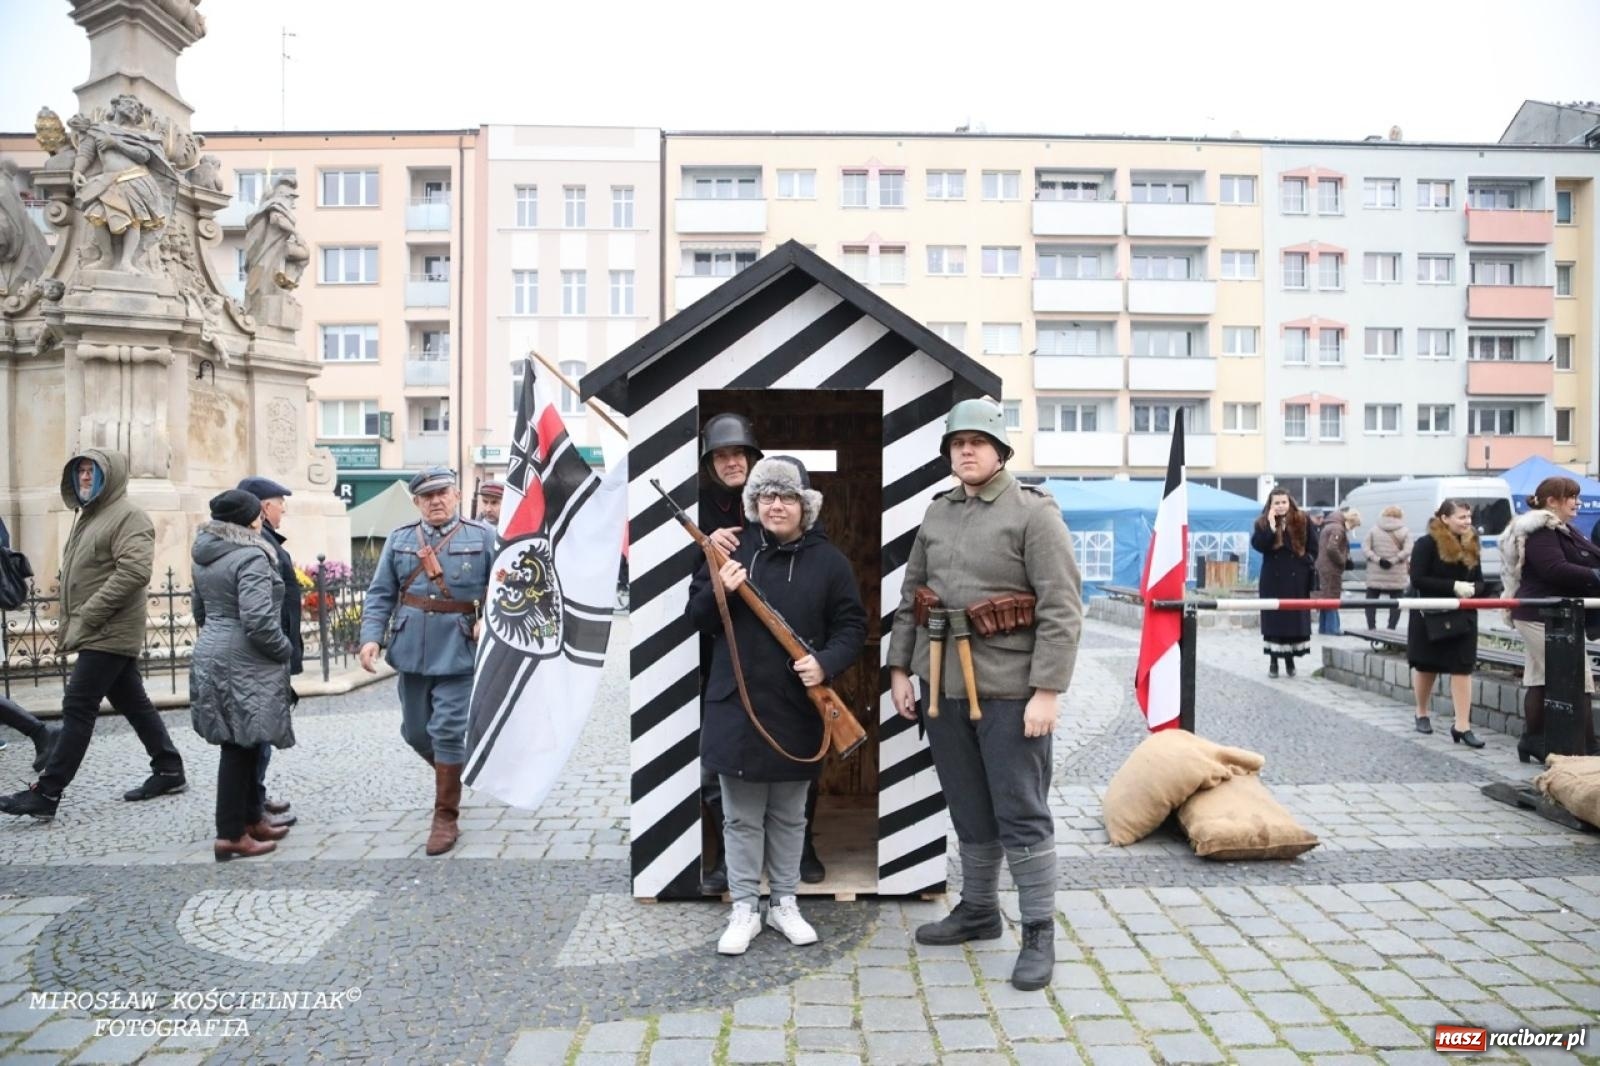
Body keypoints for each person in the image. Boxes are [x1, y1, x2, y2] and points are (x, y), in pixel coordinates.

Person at [888, 399, 1083, 992]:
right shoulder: (938, 513)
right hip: (941, 687)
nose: (966, 451)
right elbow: (911, 596)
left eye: (977, 442)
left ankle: (1039, 931)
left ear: (1000, 451)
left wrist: (1046, 691)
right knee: (969, 807)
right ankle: (978, 911)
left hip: (1009, 690)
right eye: (957, 443)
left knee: (1021, 811)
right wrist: (900, 669)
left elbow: (1062, 609)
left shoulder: (1034, 514)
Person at [688, 456, 866, 956]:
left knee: (789, 818)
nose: (776, 505)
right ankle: (745, 907)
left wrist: (823, 664)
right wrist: (720, 589)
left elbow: (852, 627)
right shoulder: (726, 550)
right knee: (741, 819)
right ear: (754, 504)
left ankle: (784, 901)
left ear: (804, 506)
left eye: (786, 496)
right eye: (766, 496)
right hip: (736, 706)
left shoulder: (831, 562)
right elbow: (696, 618)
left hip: (797, 709)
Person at [0, 450, 187, 820]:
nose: (85, 477)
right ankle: (169, 768)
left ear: (110, 476)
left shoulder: (129, 517)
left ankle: (48, 791)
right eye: (81, 471)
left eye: (92, 472)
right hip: (100, 629)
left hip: (109, 629)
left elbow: (134, 572)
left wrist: (90, 613)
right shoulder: (90, 516)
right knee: (134, 703)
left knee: (77, 706)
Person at [694, 414, 832, 891]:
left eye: (739, 454)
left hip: (786, 658)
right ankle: (729, 864)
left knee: (796, 755)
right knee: (724, 761)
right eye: (721, 456)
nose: (732, 462)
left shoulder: (789, 506)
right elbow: (696, 596)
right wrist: (709, 552)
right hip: (725, 649)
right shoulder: (703, 508)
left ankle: (802, 849)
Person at [358, 467, 493, 855]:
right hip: (411, 648)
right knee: (417, 732)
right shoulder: (400, 540)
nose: (436, 501)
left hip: (459, 648)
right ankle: (453, 771)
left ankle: (445, 816)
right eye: (427, 496)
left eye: (443, 493)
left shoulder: (482, 537)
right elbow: (381, 592)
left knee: (448, 729)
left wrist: (489, 617)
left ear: (455, 495)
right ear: (416, 501)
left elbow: (506, 584)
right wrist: (370, 637)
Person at [189, 491, 296, 861]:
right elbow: (258, 621)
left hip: (213, 648)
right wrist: (284, 649)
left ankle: (251, 819)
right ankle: (231, 833)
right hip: (244, 656)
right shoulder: (251, 553)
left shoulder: (205, 551)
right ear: (251, 520)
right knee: (239, 746)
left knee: (247, 741)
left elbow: (199, 610)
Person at [1502, 476, 1600, 761]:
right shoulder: (1542, 530)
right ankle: (1588, 748)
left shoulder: (1562, 529)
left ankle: (1533, 741)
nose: (1577, 501)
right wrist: (1596, 576)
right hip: (1541, 615)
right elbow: (1554, 569)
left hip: (1552, 614)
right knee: (1577, 678)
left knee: (1540, 679)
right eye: (1571, 496)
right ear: (1551, 501)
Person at [238, 476, 304, 826]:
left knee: (260, 734)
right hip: (266, 654)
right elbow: (263, 609)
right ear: (264, 507)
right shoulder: (259, 545)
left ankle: (256, 798)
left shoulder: (265, 541)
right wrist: (282, 649)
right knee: (258, 733)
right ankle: (252, 809)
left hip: (271, 651)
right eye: (280, 503)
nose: (283, 509)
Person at [1406, 500, 1486, 746]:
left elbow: (1480, 579)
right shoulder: (1426, 543)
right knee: (1427, 665)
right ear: (1444, 518)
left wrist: (1476, 590)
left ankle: (1462, 725)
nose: (1467, 522)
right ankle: (1421, 712)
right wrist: (1453, 587)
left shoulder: (1471, 542)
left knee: (1463, 667)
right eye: (1462, 517)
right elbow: (1418, 579)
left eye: (1469, 517)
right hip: (1431, 613)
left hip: (1463, 614)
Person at [1251, 488, 1317, 677]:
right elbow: (1259, 545)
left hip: (1297, 578)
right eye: (1277, 503)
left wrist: (1306, 562)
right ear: (1270, 505)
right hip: (1273, 578)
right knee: (1274, 621)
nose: (1280, 506)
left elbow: (1314, 546)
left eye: (1283, 502)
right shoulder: (1262, 522)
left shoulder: (1302, 520)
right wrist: (1271, 528)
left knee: (1292, 620)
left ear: (1290, 503)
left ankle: (1290, 661)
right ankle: (1273, 662)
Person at [1363, 505, 1412, 630]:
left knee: (1371, 602)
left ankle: (1371, 627)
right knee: (1396, 603)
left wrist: (1378, 560)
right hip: (1397, 573)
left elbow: (1366, 549)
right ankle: (1391, 628)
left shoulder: (1373, 530)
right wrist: (1394, 560)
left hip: (1375, 571)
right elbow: (1408, 550)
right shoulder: (1405, 531)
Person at [1316, 509, 1359, 636]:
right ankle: (1332, 628)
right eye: (1354, 526)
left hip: (1323, 566)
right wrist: (1342, 561)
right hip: (1331, 568)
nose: (1352, 529)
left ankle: (1323, 627)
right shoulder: (1338, 529)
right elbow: (1332, 548)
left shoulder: (1330, 525)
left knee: (1325, 598)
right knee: (1332, 598)